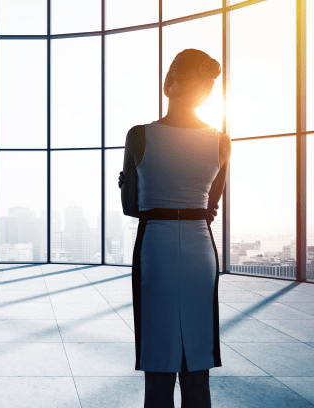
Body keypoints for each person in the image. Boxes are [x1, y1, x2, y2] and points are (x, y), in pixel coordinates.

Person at [118, 48, 232, 408]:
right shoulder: (221, 141)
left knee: (159, 362)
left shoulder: (139, 135)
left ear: (170, 84)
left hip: (157, 247)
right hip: (201, 249)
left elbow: (131, 207)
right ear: (208, 92)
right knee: (197, 363)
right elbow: (211, 207)